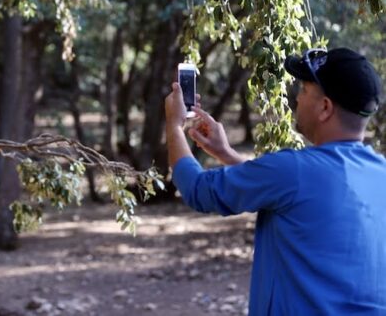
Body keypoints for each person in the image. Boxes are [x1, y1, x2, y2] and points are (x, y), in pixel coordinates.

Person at [165, 47, 386, 315]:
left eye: (304, 91)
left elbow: (197, 190)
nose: (297, 100)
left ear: (325, 108)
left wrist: (174, 126)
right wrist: (226, 154)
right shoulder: (379, 173)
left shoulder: (293, 170)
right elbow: (292, 195)